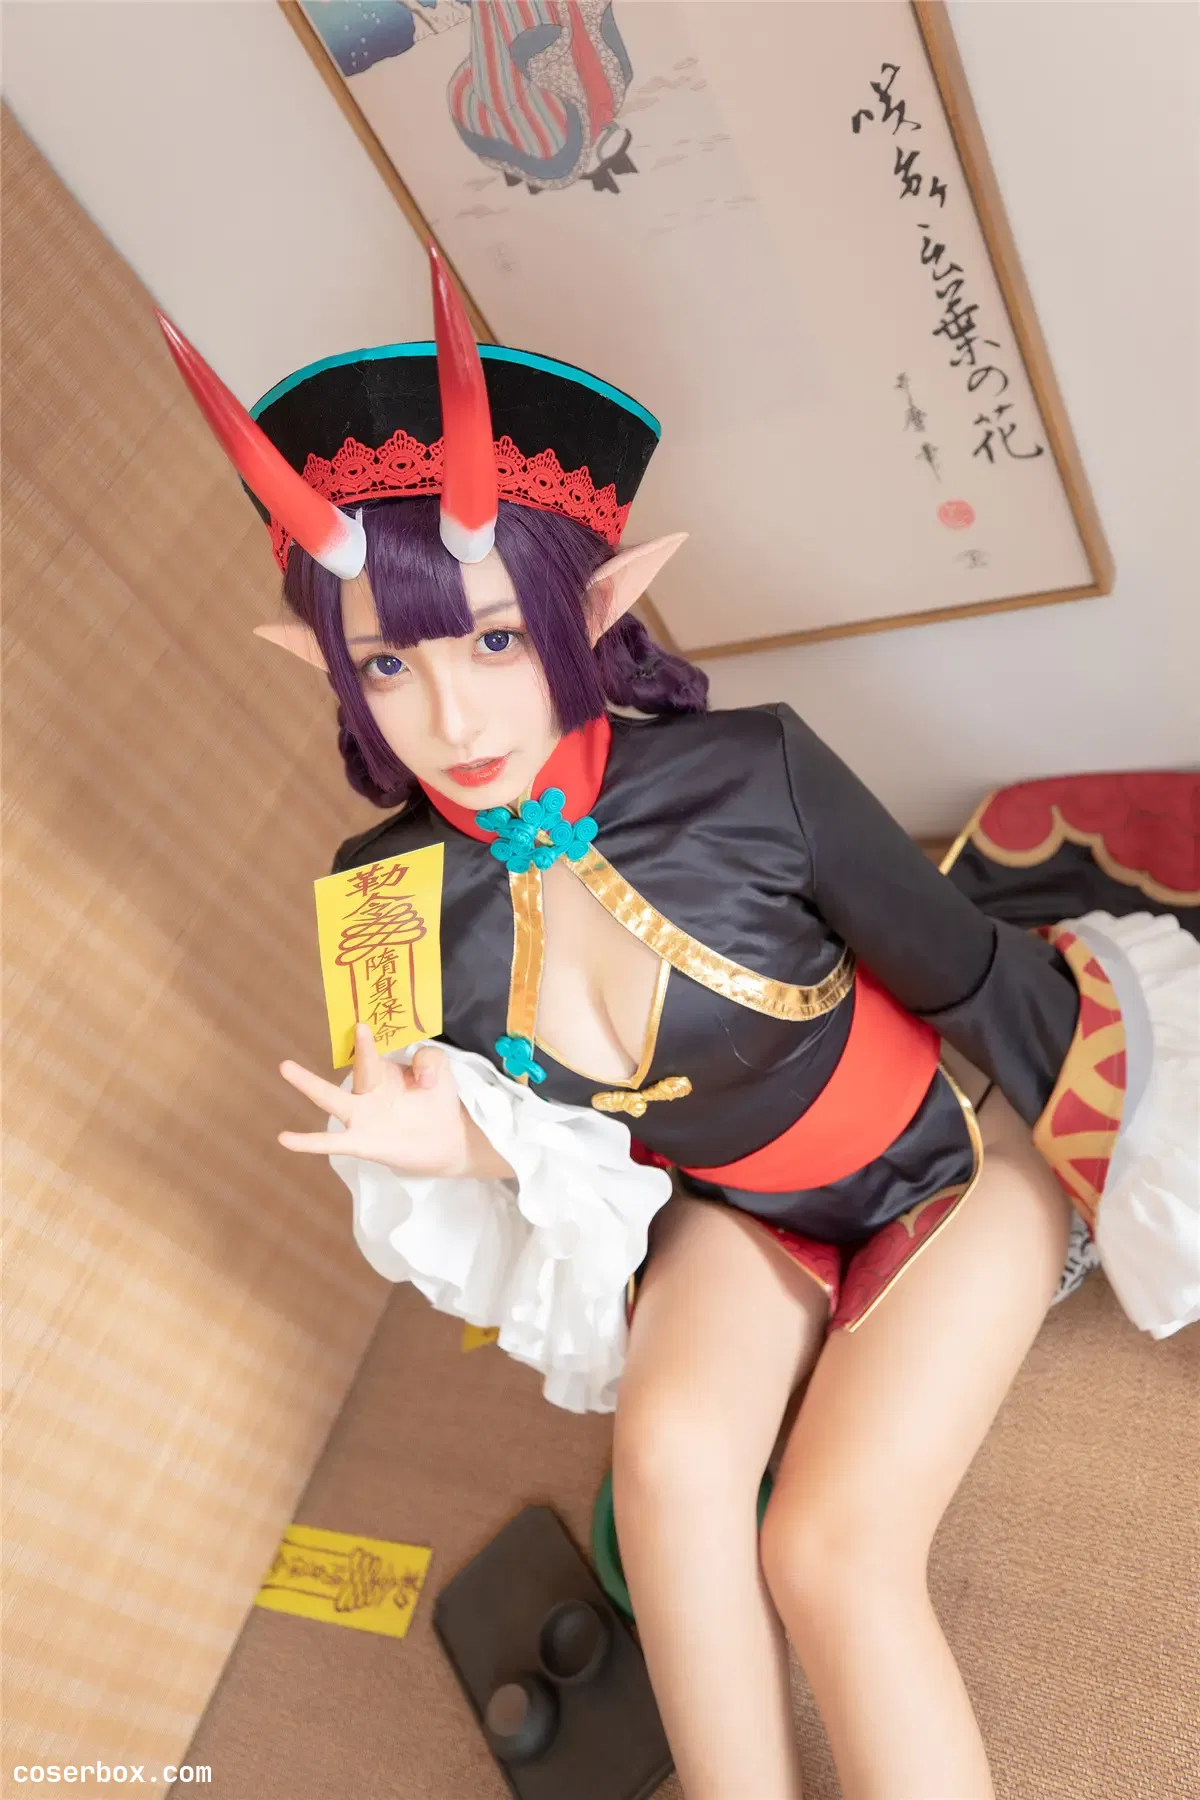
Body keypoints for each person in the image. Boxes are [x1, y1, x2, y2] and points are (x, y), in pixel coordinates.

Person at [158, 246, 1198, 1800]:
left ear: (593, 608)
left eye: (495, 638)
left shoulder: (756, 772)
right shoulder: (377, 902)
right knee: (662, 1476)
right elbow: (522, 1155)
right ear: (328, 668)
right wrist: (460, 1148)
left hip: (948, 1161)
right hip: (726, 1213)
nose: (454, 715)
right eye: (387, 660)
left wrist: (1145, 1160)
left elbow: (971, 973)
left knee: (831, 1552)